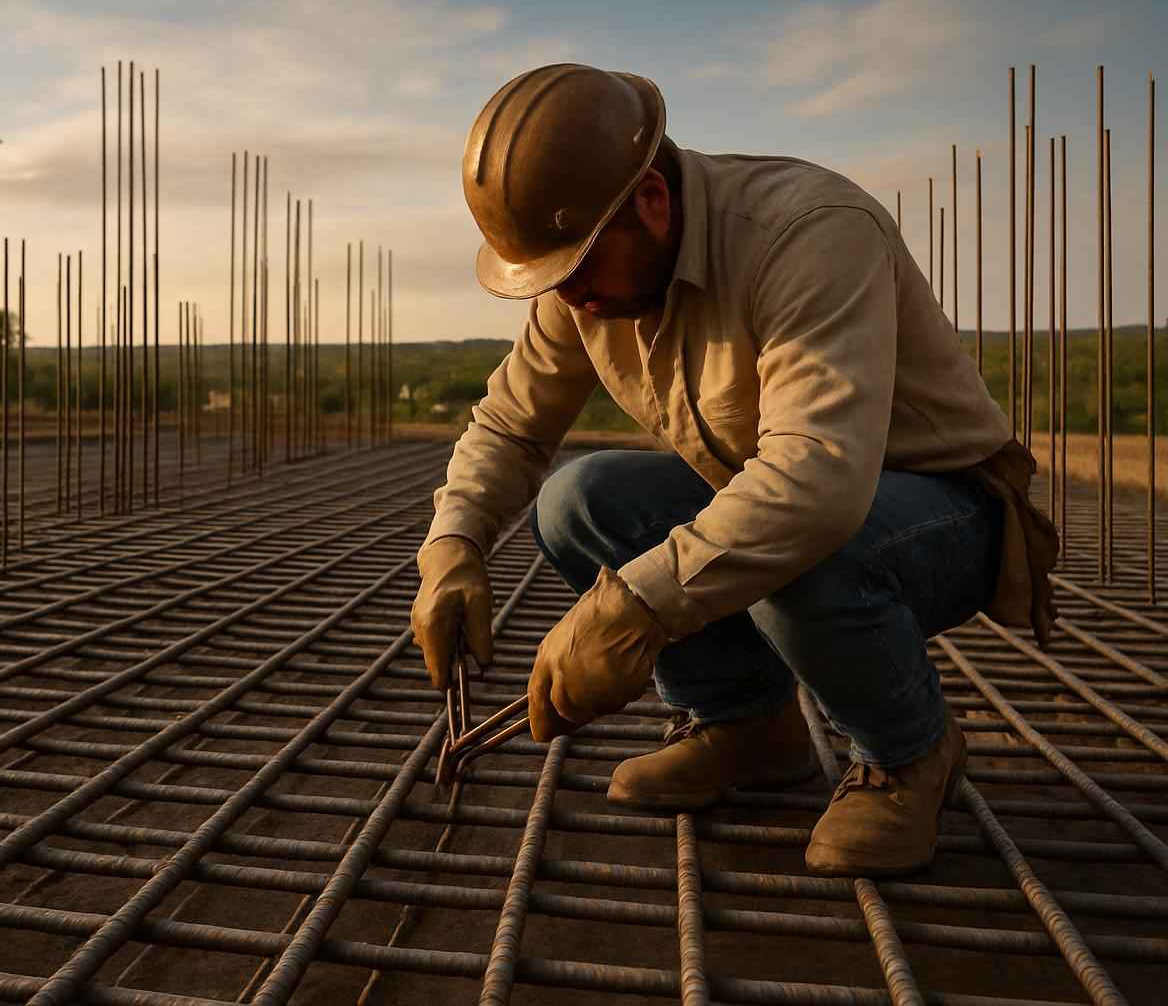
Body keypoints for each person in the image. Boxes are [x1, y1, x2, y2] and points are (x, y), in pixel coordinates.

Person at [409, 63, 1058, 877]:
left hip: (947, 508)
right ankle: (745, 727)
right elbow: (509, 424)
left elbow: (815, 481)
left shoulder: (811, 232)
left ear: (649, 198)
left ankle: (908, 752)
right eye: (550, 277)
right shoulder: (581, 276)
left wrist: (638, 606)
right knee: (580, 501)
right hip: (786, 498)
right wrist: (452, 547)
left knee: (798, 548)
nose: (568, 297)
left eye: (575, 268)